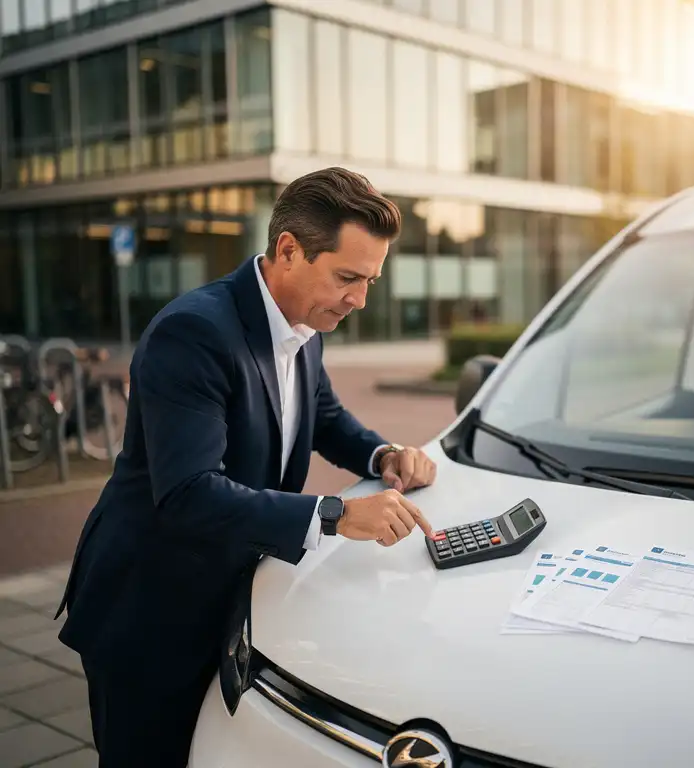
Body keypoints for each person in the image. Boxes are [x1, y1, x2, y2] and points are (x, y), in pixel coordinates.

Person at [52, 167, 437, 767]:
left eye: (369, 281)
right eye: (347, 277)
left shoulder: (306, 323)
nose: (360, 300)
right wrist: (336, 514)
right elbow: (188, 492)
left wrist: (384, 456)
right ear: (289, 250)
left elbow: (323, 416)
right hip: (151, 611)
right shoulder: (193, 333)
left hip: (228, 595)